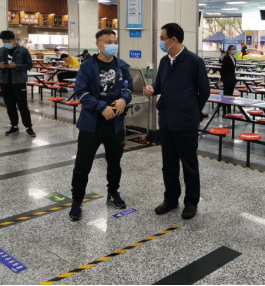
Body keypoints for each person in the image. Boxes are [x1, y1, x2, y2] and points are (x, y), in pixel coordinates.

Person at [144, 23, 210, 220]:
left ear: (173, 40)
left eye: (163, 38)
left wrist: (192, 110)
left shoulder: (194, 61)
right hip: (166, 120)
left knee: (189, 164)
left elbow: (204, 91)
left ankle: (191, 202)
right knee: (169, 164)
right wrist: (152, 89)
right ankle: (171, 199)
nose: (161, 41)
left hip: (186, 122)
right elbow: (160, 85)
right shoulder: (165, 61)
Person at [69, 29, 134, 222]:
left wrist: (124, 99)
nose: (113, 45)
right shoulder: (87, 66)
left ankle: (113, 193)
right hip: (91, 124)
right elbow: (81, 92)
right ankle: (77, 200)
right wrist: (101, 107)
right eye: (108, 41)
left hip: (115, 124)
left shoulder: (122, 66)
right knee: (83, 164)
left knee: (114, 162)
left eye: (115, 41)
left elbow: (129, 88)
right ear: (98, 44)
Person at [0, 31, 36, 138]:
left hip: (19, 82)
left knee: (22, 105)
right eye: (4, 41)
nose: (6, 42)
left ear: (13, 39)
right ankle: (14, 126)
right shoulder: (0, 51)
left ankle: (28, 127)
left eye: (8, 40)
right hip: (5, 82)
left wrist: (16, 66)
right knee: (10, 106)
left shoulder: (23, 50)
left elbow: (29, 65)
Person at [220, 44, 237, 117]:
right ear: (229, 51)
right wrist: (223, 79)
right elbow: (223, 70)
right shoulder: (226, 58)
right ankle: (224, 111)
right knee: (225, 96)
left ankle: (229, 111)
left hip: (232, 79)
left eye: (235, 49)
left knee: (230, 96)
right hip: (227, 79)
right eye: (233, 49)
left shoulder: (234, 58)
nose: (234, 50)